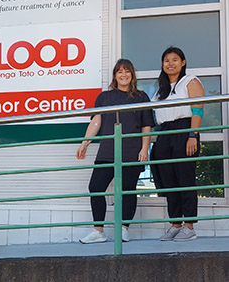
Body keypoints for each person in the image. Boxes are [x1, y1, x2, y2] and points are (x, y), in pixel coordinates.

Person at [76, 59, 154, 244]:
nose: (123, 74)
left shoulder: (141, 97)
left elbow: (146, 126)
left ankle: (124, 229)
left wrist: (144, 149)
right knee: (95, 187)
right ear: (114, 75)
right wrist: (85, 143)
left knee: (127, 191)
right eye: (119, 71)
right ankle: (98, 231)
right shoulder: (105, 97)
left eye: (127, 71)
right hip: (107, 151)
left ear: (132, 75)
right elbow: (96, 121)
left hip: (132, 151)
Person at [153, 46, 204, 242]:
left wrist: (193, 134)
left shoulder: (190, 81)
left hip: (184, 130)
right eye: (166, 60)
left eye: (175, 59)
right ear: (162, 64)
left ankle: (189, 226)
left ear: (183, 62)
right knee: (169, 181)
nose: (170, 63)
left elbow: (198, 109)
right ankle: (175, 224)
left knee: (185, 177)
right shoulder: (160, 90)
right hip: (164, 133)